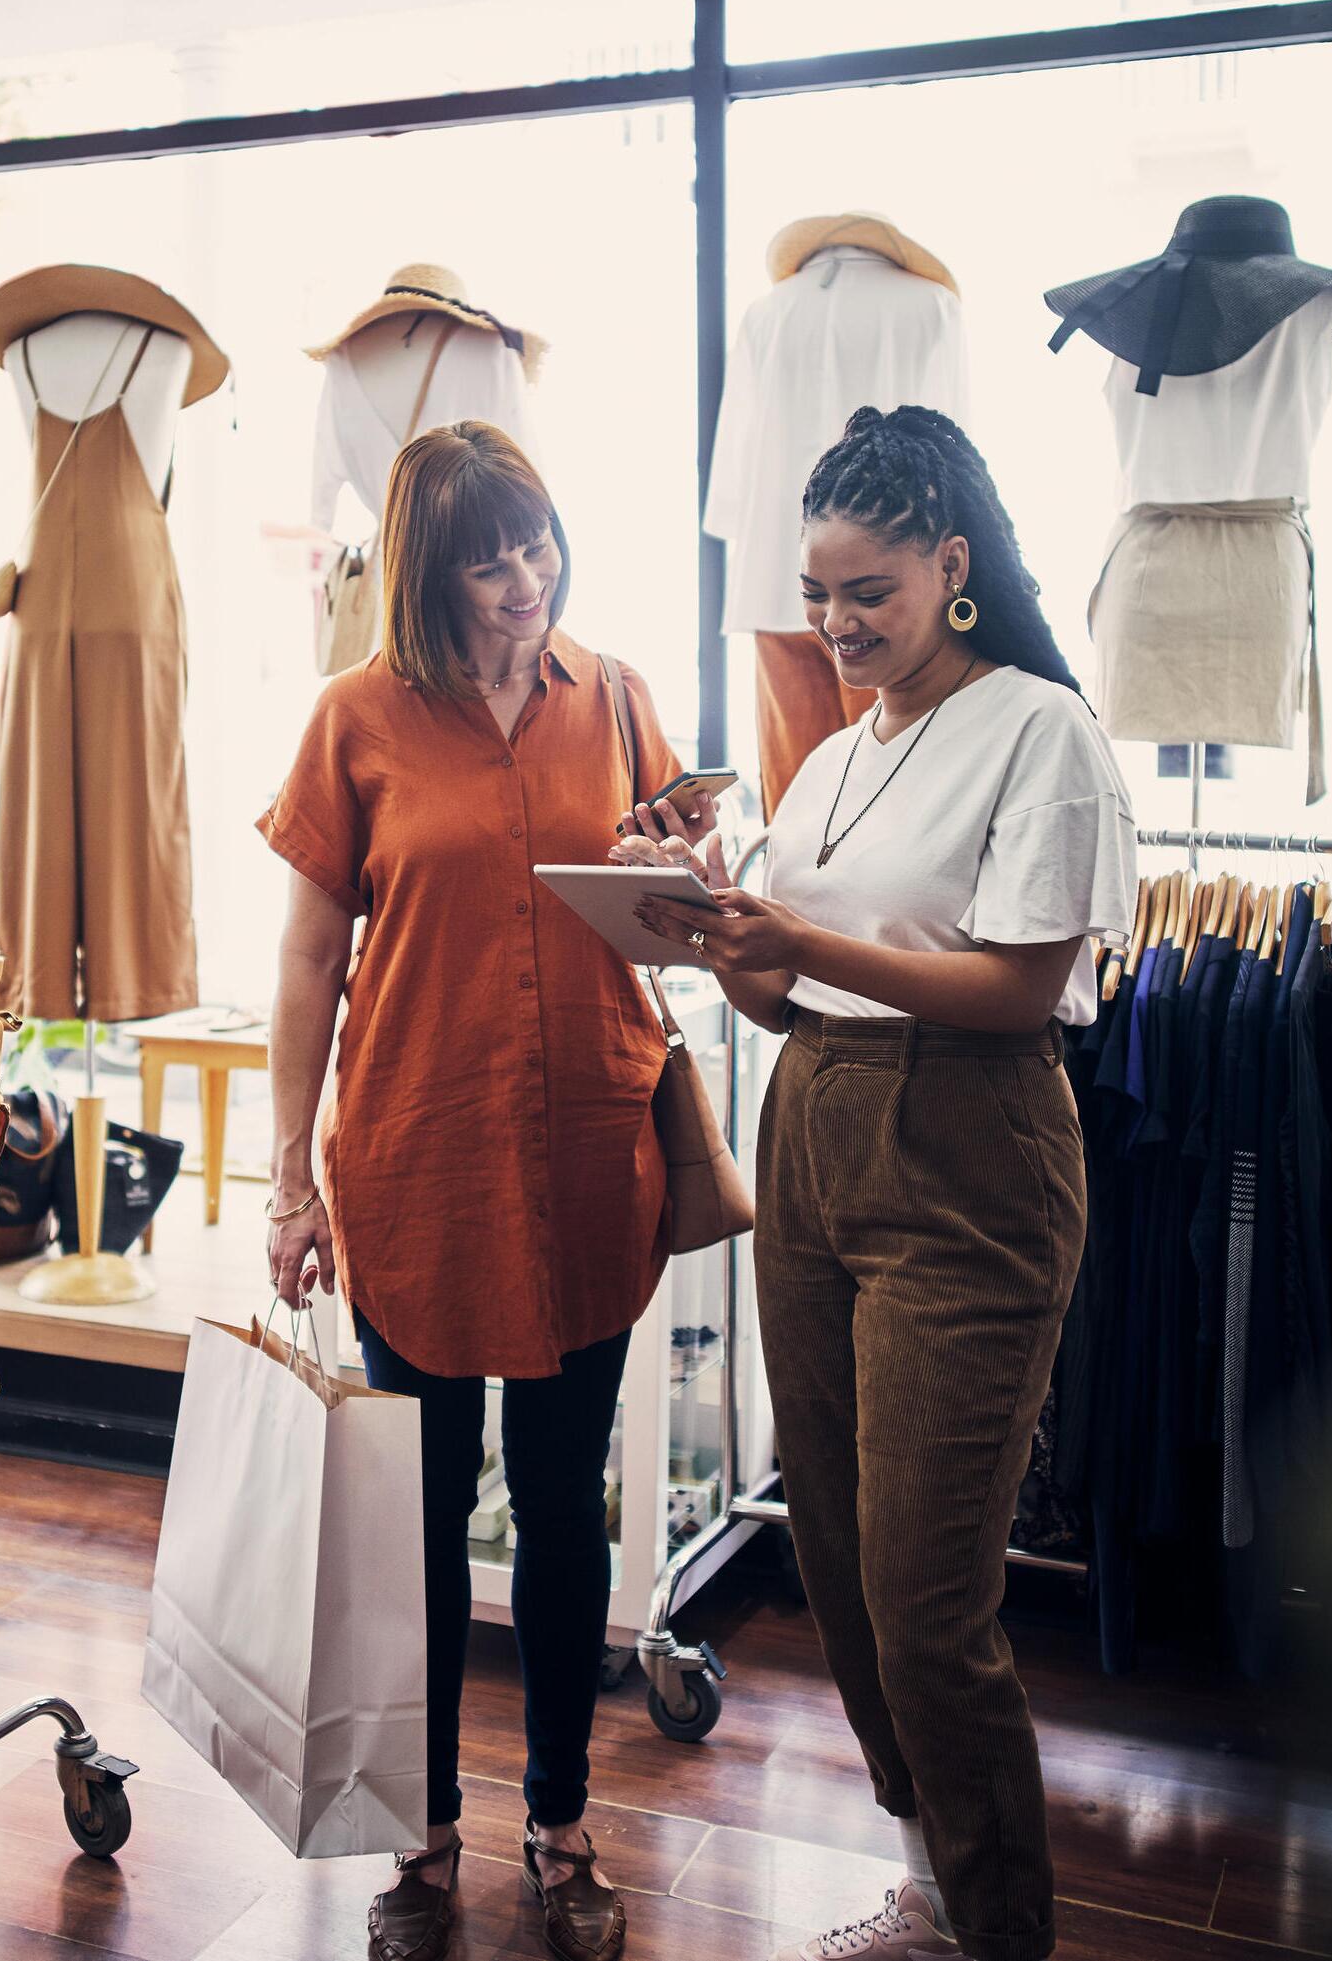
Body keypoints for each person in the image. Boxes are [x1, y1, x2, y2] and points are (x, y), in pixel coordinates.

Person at [634, 405, 1136, 1961]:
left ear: (951, 564)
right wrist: (715, 917)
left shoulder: (1039, 728)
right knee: (840, 1560)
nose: (839, 625)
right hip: (816, 1132)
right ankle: (929, 1880)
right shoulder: (840, 755)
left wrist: (806, 947)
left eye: (870, 591)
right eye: (819, 594)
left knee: (927, 1586)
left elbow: (1022, 983)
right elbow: (788, 999)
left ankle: (1000, 1931)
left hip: (970, 1148)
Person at [259, 420, 715, 1961]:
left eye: (536, 542)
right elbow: (311, 963)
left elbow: (673, 930)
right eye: (485, 556)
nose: (523, 581)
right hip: (418, 1161)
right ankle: (427, 1833)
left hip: (591, 1152)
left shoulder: (623, 698)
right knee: (426, 1518)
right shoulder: (355, 718)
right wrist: (287, 1181)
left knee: (567, 1504)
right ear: (427, 569)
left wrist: (682, 870)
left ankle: (564, 1820)